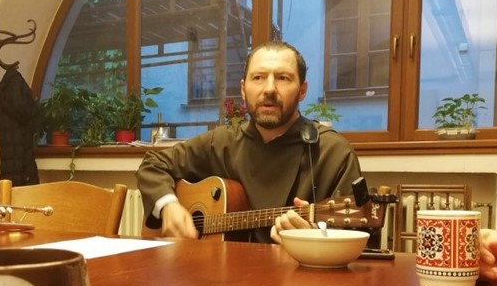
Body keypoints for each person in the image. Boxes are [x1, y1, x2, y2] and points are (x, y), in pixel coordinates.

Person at [137, 40, 362, 243]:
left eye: (283, 78)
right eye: (258, 77)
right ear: (243, 89)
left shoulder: (333, 153)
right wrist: (168, 206)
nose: (269, 89)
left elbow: (357, 242)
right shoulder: (221, 142)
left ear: (302, 90)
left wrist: (314, 241)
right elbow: (153, 164)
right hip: (218, 272)